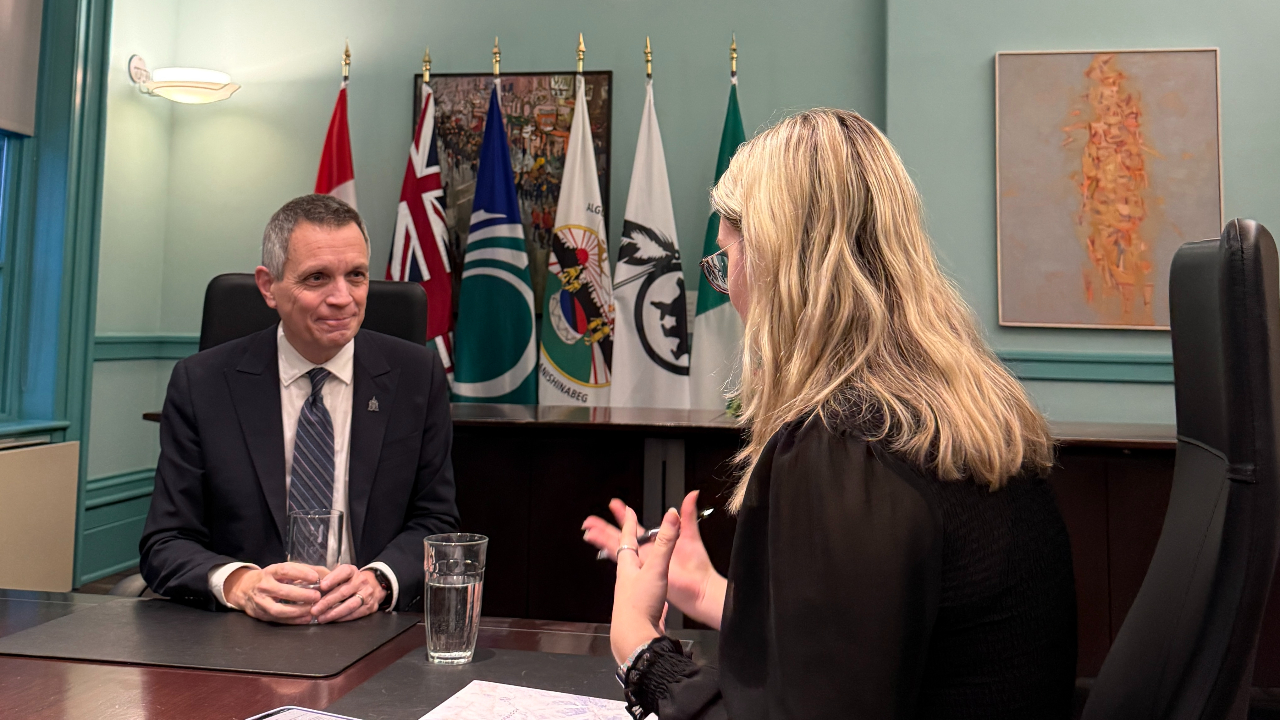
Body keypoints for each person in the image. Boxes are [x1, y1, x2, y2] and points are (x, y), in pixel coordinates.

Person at [583, 110, 1077, 719]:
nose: (730, 292)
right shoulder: (962, 412)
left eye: (724, 261)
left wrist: (641, 646)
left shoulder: (843, 448)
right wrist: (715, 594)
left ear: (775, 265)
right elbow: (881, 641)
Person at [141, 194, 459, 624]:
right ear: (268, 286)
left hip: (369, 627)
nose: (343, 298)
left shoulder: (415, 375)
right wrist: (241, 584)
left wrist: (380, 581)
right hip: (243, 632)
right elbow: (165, 540)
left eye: (357, 275)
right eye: (317, 278)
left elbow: (435, 521)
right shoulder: (203, 383)